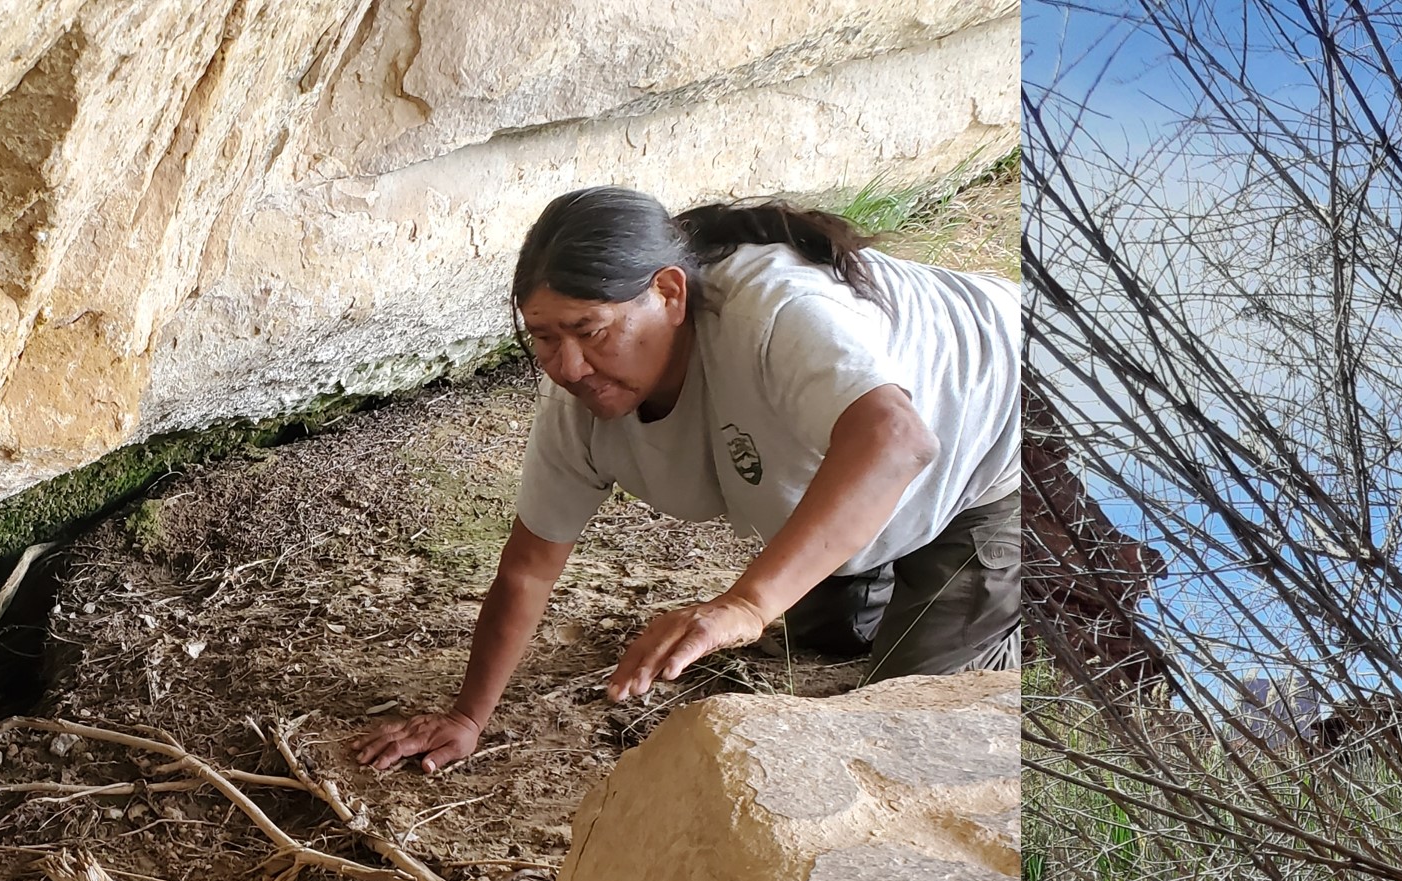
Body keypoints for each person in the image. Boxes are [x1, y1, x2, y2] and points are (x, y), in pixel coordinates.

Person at [348, 189, 1022, 776]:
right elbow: (528, 570)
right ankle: (878, 568)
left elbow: (895, 439)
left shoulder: (772, 312)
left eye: (589, 331)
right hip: (849, 472)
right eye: (543, 338)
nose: (568, 365)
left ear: (669, 293)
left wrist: (748, 604)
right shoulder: (580, 400)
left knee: (911, 726)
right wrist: (467, 716)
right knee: (826, 632)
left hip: (1000, 440)